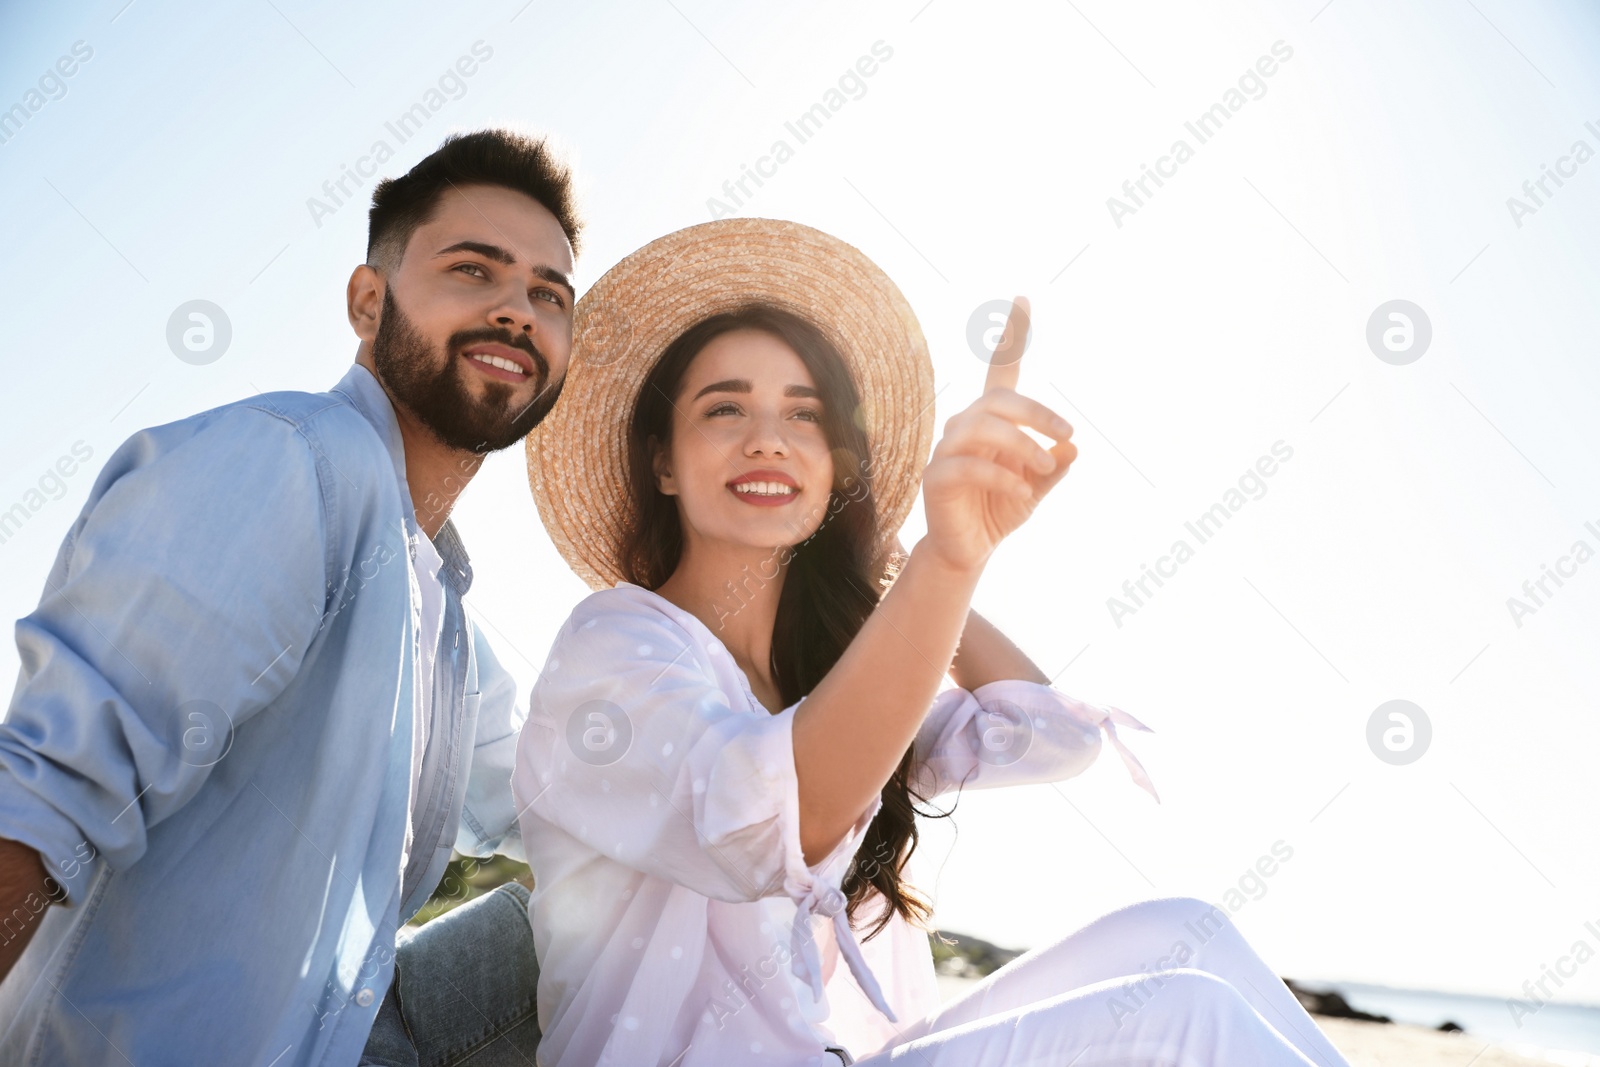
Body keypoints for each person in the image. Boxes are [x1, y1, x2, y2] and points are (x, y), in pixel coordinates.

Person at [512, 218, 1353, 1066]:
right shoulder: (615, 646)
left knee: (1186, 934)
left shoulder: (831, 673)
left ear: (837, 468)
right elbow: (780, 814)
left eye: (804, 416)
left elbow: (1045, 738)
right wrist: (947, 564)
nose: (768, 436)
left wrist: (924, 558)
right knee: (1183, 1015)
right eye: (724, 406)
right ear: (662, 461)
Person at [0, 129, 567, 1065]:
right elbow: (42, 794)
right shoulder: (291, 462)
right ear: (367, 299)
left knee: (639, 914)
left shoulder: (444, 614)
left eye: (549, 295)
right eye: (475, 271)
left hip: (339, 1040)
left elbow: (573, 800)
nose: (516, 311)